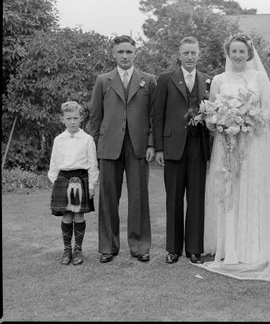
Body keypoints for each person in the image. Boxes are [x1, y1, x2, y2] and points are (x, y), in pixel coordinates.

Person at [195, 33, 270, 279]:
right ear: (228, 53)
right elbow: (212, 112)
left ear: (249, 54)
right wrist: (221, 121)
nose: (237, 56)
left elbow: (267, 113)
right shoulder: (218, 79)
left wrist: (248, 117)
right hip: (227, 144)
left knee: (252, 189)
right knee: (229, 192)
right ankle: (230, 247)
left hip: (254, 143)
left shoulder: (258, 78)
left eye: (241, 52)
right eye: (233, 51)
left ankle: (255, 245)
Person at [87, 35, 156, 263]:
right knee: (108, 198)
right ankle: (108, 246)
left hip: (137, 146)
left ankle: (140, 246)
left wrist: (151, 143)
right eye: (120, 52)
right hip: (109, 146)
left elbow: (154, 117)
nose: (124, 56)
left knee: (139, 197)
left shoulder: (148, 80)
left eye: (128, 51)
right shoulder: (102, 80)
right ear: (113, 54)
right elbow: (95, 117)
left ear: (135, 53)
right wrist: (94, 147)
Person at [153, 36, 212, 264]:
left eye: (193, 53)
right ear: (179, 54)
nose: (189, 57)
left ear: (199, 54)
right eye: (186, 53)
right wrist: (158, 148)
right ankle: (173, 248)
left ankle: (194, 249)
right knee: (174, 198)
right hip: (173, 147)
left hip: (198, 145)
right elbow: (157, 116)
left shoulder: (207, 81)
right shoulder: (166, 79)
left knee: (197, 198)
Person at [48, 101, 99, 265]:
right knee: (66, 215)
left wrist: (91, 186)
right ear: (62, 119)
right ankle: (66, 251)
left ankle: (78, 250)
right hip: (63, 179)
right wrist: (56, 183)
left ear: (81, 119)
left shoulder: (87, 139)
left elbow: (93, 165)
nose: (72, 121)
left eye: (75, 118)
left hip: (80, 179)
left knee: (78, 214)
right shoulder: (58, 139)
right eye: (68, 118)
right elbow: (54, 163)